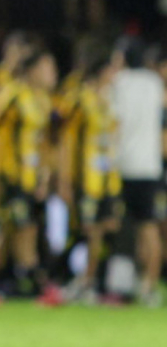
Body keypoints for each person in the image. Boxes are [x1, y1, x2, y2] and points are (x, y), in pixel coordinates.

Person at [0, 50, 58, 301]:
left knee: (19, 231)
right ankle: (33, 284)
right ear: (32, 70)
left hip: (31, 179)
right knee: (21, 228)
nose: (52, 73)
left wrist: (44, 177)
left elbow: (42, 144)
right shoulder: (12, 95)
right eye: (47, 68)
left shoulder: (43, 100)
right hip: (10, 176)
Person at [58, 55, 122, 304]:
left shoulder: (111, 100)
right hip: (86, 179)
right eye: (113, 69)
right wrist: (64, 179)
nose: (116, 74)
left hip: (108, 179)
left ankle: (90, 281)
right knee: (87, 230)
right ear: (102, 71)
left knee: (107, 228)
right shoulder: (79, 100)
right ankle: (74, 279)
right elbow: (66, 140)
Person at [110, 40, 165, 307]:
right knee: (149, 228)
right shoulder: (155, 83)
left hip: (124, 166)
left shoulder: (119, 82)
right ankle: (148, 285)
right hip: (150, 167)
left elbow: (114, 122)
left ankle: (128, 285)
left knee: (128, 230)